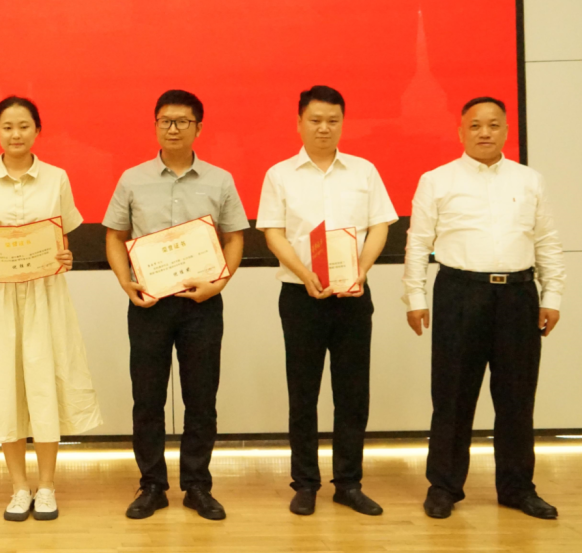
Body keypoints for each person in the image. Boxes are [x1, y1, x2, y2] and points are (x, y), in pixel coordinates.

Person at [403, 97, 566, 520]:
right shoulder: (436, 180)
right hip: (460, 292)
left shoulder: (529, 180)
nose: (485, 132)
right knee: (452, 396)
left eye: (494, 124)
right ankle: (444, 486)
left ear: (507, 130)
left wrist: (552, 296)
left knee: (517, 398)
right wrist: (415, 298)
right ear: (461, 132)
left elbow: (546, 240)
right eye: (475, 125)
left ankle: (517, 488)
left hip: (518, 295)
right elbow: (418, 243)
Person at [0, 96, 103, 522]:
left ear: (37, 130)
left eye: (23, 126)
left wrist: (65, 255)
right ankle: (19, 487)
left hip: (44, 294)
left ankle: (47, 486)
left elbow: (62, 235)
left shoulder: (56, 178)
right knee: (4, 385)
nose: (15, 134)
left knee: (44, 382)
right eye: (7, 127)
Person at [102, 89, 247, 521]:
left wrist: (219, 283)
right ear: (155, 126)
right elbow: (114, 235)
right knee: (146, 398)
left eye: (183, 121)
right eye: (165, 120)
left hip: (202, 303)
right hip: (148, 304)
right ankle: (152, 485)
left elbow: (234, 237)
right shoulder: (132, 179)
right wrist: (125, 282)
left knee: (201, 399)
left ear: (198, 128)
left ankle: (197, 486)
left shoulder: (220, 180)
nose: (173, 128)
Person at [257, 85, 397, 517]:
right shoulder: (280, 174)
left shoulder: (364, 171)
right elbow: (273, 233)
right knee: (303, 392)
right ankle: (305, 483)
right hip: (301, 297)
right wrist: (306, 274)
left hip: (353, 295)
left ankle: (348, 483)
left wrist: (361, 270)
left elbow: (380, 226)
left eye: (332, 121)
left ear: (342, 123)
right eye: (315, 120)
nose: (324, 128)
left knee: (353, 393)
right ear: (299, 123)